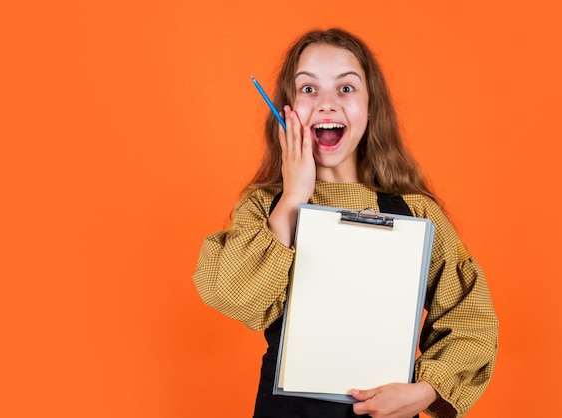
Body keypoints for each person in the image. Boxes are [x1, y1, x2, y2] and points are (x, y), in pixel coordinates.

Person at [192, 28, 498, 418]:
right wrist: (293, 196)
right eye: (308, 90)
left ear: (371, 107)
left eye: (346, 89)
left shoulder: (416, 212)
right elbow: (235, 296)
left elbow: (471, 315)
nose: (326, 104)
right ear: (286, 109)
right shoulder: (265, 208)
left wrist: (425, 390)